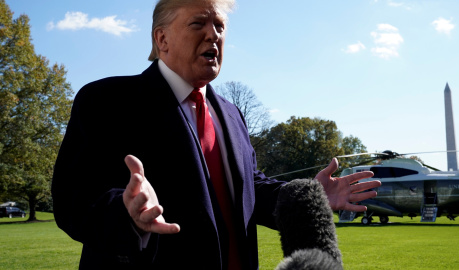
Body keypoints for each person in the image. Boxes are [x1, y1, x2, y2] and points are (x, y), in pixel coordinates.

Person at [51, 0, 381, 269]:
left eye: (220, 27)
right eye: (198, 24)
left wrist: (307, 196)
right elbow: (73, 201)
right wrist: (128, 214)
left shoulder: (232, 114)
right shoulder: (106, 101)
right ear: (161, 39)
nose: (213, 35)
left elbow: (254, 190)